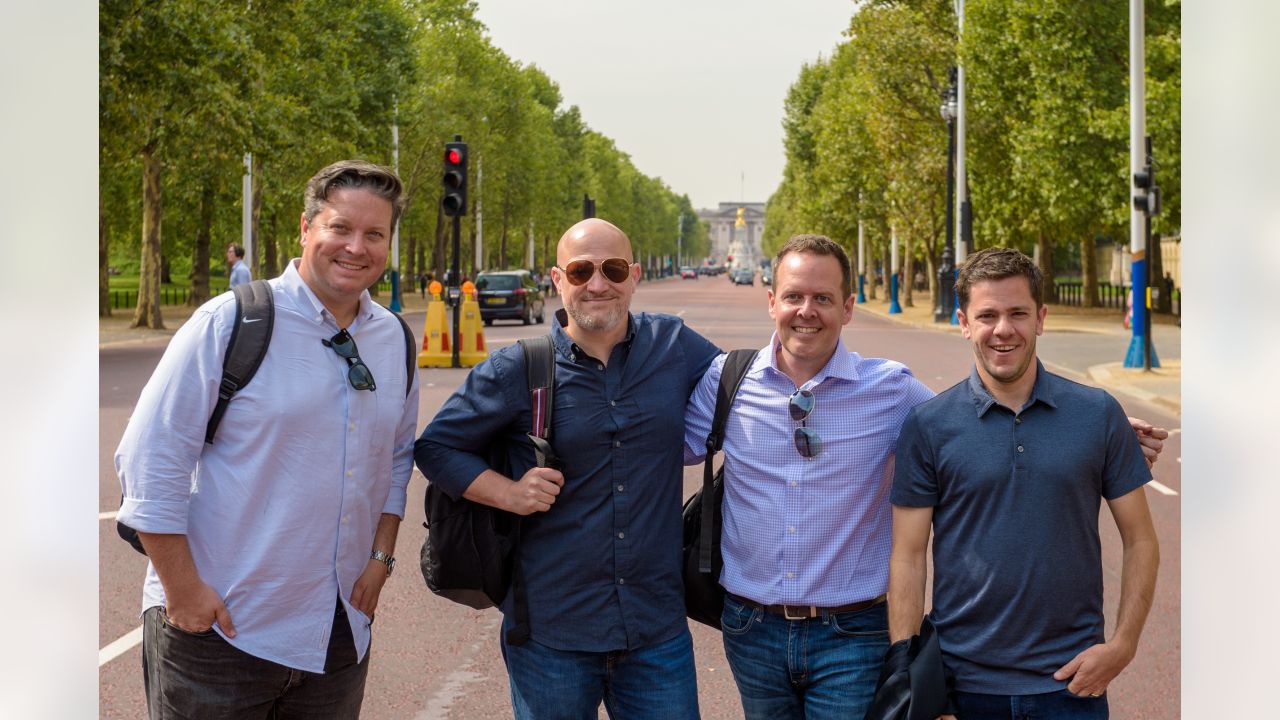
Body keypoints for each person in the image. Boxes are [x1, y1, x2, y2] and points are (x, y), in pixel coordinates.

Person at [682, 237, 1166, 720]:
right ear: (772, 302)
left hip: (857, 637)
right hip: (755, 631)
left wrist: (1102, 429)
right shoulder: (728, 381)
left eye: (824, 298)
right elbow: (650, 445)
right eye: (793, 296)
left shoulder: (892, 392)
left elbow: (985, 411)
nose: (807, 310)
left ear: (848, 307)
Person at [115, 160, 419, 719]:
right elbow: (149, 460)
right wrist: (183, 594)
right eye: (339, 228)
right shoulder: (232, 322)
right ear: (305, 230)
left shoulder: (393, 339)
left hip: (338, 634)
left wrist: (382, 555)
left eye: (374, 234)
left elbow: (396, 459)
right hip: (222, 633)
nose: (356, 247)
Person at [416, 218, 719, 720]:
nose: (597, 285)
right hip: (551, 634)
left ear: (635, 275)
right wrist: (507, 492)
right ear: (558, 280)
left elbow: (751, 389)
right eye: (581, 272)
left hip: (655, 630)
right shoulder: (519, 367)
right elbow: (437, 446)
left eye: (613, 269)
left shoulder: (675, 346)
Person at [888, 247, 1161, 720]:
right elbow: (908, 557)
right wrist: (913, 682)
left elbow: (1140, 539)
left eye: (1018, 313)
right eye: (987, 315)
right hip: (962, 688)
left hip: (1073, 688)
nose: (1003, 329)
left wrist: (1122, 647)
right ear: (963, 322)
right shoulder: (929, 426)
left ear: (1041, 318)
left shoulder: (1098, 414)